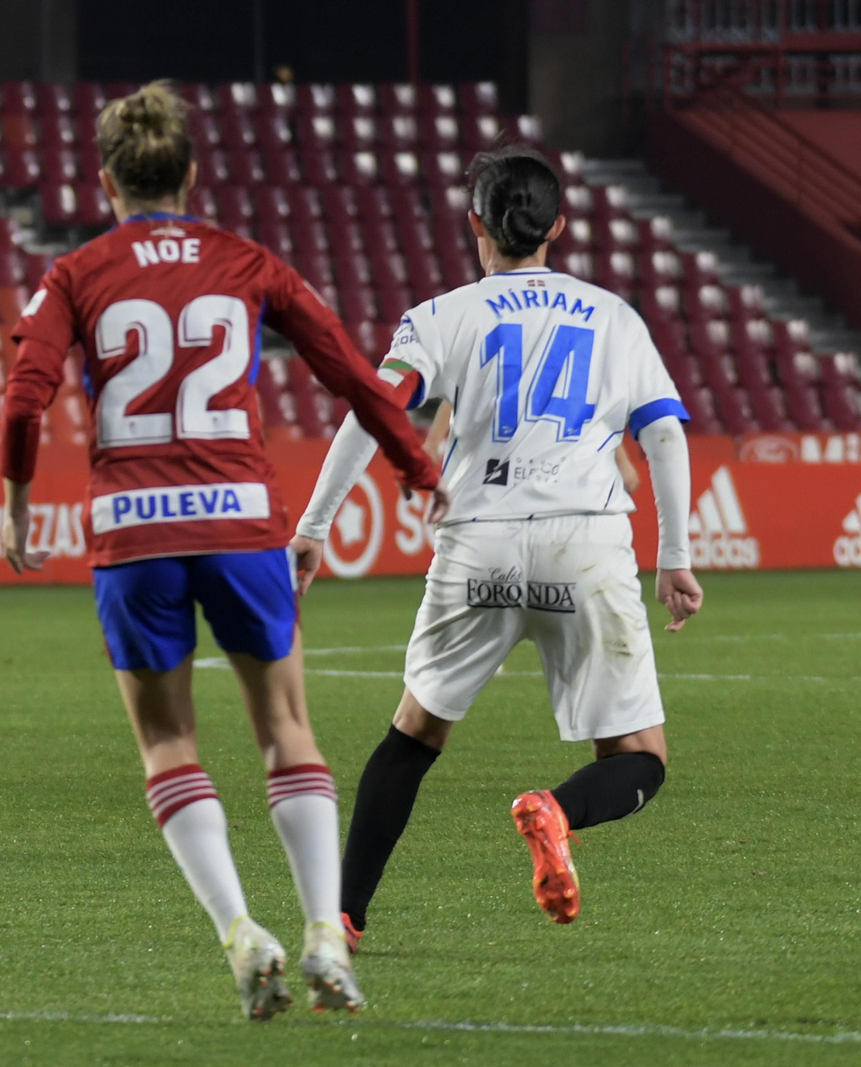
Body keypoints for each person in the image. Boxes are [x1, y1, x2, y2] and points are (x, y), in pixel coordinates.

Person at [0, 82, 442, 1020]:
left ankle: (243, 933)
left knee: (167, 741)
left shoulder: (76, 273)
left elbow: (22, 399)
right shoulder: (247, 261)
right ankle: (326, 928)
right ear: (192, 173)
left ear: (106, 180)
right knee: (286, 729)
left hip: (137, 531)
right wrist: (418, 467)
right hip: (242, 521)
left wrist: (17, 504)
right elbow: (355, 377)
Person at [290, 146, 703, 958]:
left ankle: (343, 914)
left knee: (412, 734)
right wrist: (677, 554)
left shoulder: (443, 316)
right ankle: (557, 811)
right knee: (640, 758)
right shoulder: (616, 317)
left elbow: (375, 410)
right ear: (558, 225)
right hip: (586, 540)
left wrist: (313, 526)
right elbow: (662, 432)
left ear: (475, 224)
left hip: (476, 541)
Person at [424, 400, 641, 493]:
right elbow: (457, 392)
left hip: (552, 463)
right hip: (500, 460)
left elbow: (590, 405)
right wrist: (432, 442)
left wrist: (622, 461)